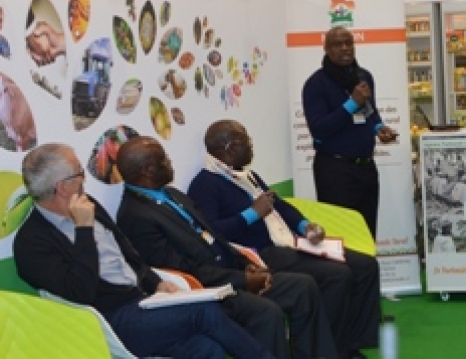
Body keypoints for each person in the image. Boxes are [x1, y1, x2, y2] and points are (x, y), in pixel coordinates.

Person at [13, 143, 272, 359]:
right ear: (62, 187)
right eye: (79, 173)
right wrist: (83, 230)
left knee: (207, 348)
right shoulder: (31, 244)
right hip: (110, 321)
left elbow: (127, 251)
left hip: (144, 300)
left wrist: (156, 282)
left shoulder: (89, 204)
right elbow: (81, 292)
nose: (84, 179)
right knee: (204, 312)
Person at [115, 136, 338, 359]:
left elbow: (216, 237)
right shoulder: (135, 216)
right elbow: (182, 269)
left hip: (230, 273)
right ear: (147, 170)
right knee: (267, 313)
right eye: (164, 160)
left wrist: (246, 264)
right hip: (205, 290)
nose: (169, 162)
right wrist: (243, 280)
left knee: (302, 287)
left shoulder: (173, 195)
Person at [188, 119, 381, 359]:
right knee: (337, 275)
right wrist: (252, 214)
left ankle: (351, 344)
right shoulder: (204, 185)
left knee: (365, 266)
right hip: (262, 254)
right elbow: (213, 233)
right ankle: (329, 352)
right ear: (229, 148)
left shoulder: (247, 175)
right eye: (245, 141)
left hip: (290, 242)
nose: (251, 146)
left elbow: (279, 205)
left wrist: (306, 226)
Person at [302, 26, 398, 237]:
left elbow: (370, 111)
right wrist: (351, 104)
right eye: (338, 44)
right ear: (326, 49)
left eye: (349, 43)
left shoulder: (364, 76)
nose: (345, 48)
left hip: (366, 168)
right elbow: (319, 129)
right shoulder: (316, 84)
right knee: (341, 237)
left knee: (367, 234)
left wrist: (379, 128)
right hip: (335, 171)